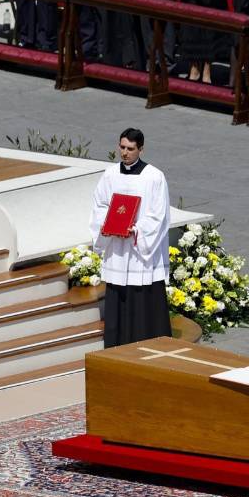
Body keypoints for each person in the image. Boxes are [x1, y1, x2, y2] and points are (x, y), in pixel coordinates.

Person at [89, 128, 172, 347]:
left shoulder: (154, 177)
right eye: (122, 147)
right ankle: (116, 343)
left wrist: (136, 229)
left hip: (138, 250)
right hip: (117, 247)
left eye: (130, 149)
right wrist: (107, 224)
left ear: (141, 149)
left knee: (141, 297)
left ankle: (144, 343)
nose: (125, 153)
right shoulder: (110, 174)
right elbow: (100, 205)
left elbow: (159, 214)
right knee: (117, 296)